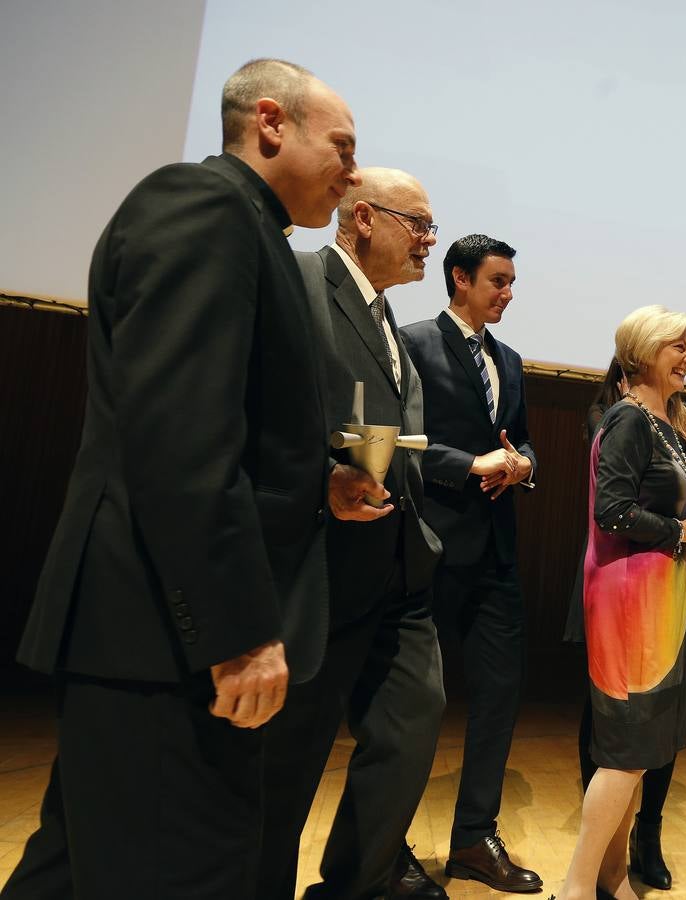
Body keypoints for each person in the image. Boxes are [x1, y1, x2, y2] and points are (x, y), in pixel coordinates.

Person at [1, 58, 364, 899]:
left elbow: (223, 431)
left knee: (75, 871)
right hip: (164, 639)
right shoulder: (205, 208)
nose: (352, 172)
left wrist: (321, 484)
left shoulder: (248, 228)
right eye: (342, 147)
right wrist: (237, 634)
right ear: (271, 123)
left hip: (151, 635)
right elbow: (183, 441)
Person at [258, 168, 448, 900]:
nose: (429, 240)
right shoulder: (301, 282)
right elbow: (260, 413)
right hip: (322, 570)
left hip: (399, 572)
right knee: (288, 764)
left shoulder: (387, 317)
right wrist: (320, 481)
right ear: (363, 218)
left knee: (410, 729)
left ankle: (354, 886)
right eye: (418, 224)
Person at [557, 306, 686, 900]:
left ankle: (613, 878)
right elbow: (612, 511)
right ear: (641, 352)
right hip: (629, 601)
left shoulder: (667, 423)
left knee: (640, 752)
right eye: (676, 346)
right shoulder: (628, 420)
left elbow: (675, 515)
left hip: (662, 598)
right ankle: (577, 887)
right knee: (627, 753)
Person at [400, 235, 541, 893]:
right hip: (429, 545)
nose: (508, 292)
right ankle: (387, 843)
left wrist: (523, 464)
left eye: (512, 281)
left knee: (497, 699)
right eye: (497, 280)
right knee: (413, 703)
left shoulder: (509, 360)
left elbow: (520, 439)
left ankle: (474, 841)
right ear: (459, 278)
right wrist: (469, 465)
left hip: (497, 555)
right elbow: (398, 442)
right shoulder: (413, 341)